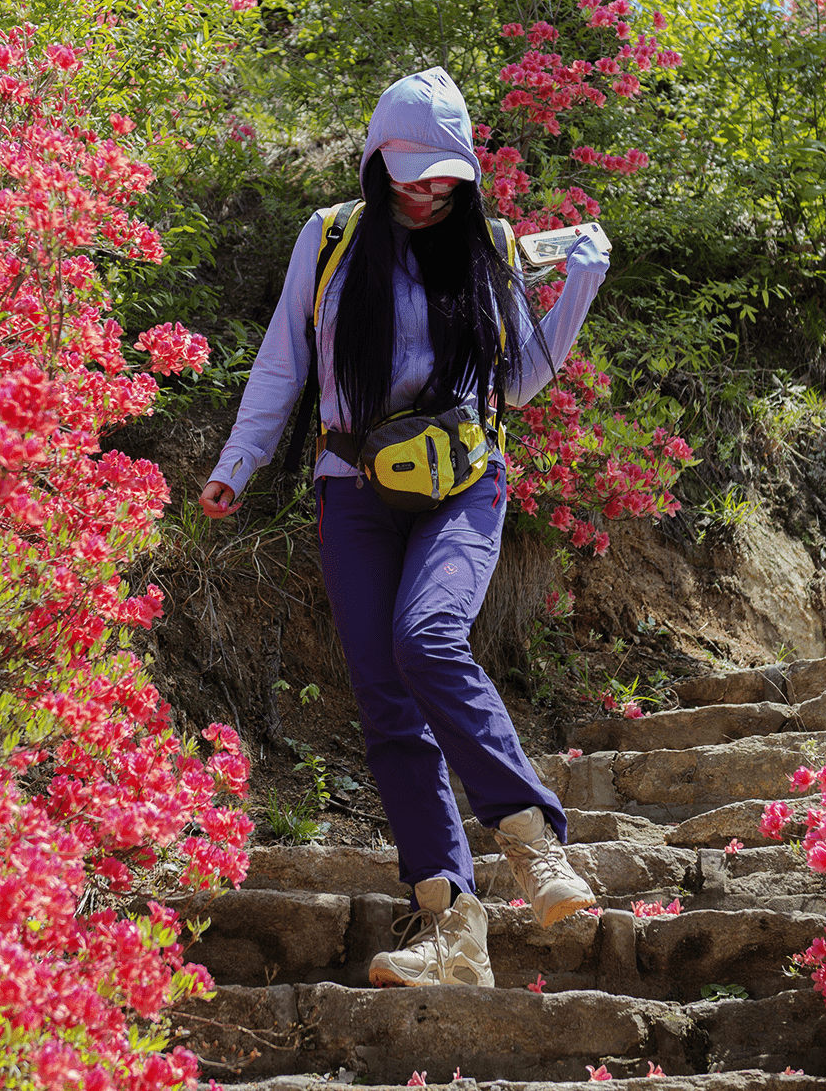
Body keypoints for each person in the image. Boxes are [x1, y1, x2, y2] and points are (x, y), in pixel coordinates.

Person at [198, 67, 610, 989]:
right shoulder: (333, 237)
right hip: (352, 486)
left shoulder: (488, 244)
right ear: (376, 158)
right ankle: (449, 930)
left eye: (444, 176)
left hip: (464, 483)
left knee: (428, 639)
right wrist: (237, 464)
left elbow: (515, 383)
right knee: (385, 704)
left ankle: (533, 843)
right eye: (409, 170)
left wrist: (576, 288)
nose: (427, 191)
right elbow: (282, 364)